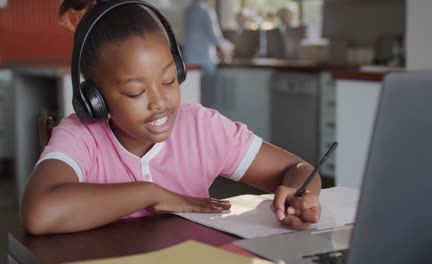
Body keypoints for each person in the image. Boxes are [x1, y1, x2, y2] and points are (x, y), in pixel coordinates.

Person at [21, 0, 322, 235]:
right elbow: (39, 213)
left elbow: (297, 168)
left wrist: (302, 195)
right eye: (135, 92)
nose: (160, 103)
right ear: (95, 99)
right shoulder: (80, 136)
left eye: (168, 81)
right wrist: (148, 194)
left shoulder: (202, 128)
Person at [182, 0, 232, 108]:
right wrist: (227, 50)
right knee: (208, 103)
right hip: (205, 63)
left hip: (190, 62)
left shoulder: (188, 10)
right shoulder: (206, 11)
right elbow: (216, 37)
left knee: (194, 100)